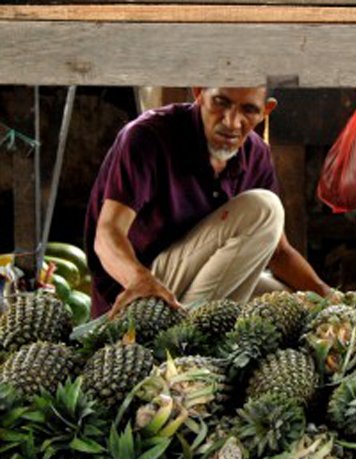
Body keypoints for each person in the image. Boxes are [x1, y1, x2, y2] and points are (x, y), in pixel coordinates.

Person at [85, 86, 330, 318]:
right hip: (141, 292)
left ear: (266, 110)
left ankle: (190, 326)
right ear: (199, 92)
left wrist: (328, 297)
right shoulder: (148, 136)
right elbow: (107, 235)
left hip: (194, 286)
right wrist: (140, 282)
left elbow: (279, 253)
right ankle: (182, 337)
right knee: (265, 208)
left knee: (289, 303)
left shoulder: (256, 155)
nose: (232, 122)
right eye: (221, 103)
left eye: (249, 110)